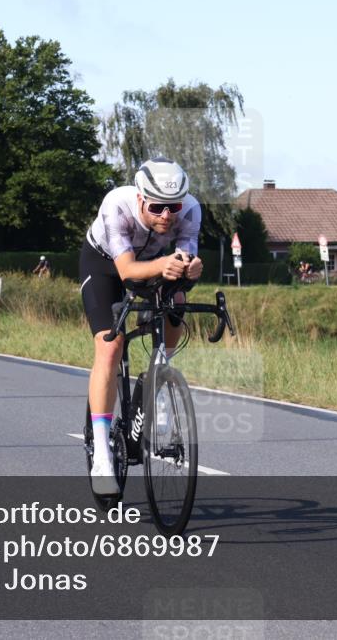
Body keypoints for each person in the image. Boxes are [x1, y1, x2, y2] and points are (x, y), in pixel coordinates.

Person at [80, 157, 203, 494]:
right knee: (110, 346)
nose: (167, 216)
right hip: (106, 264)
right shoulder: (117, 206)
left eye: (173, 207)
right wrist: (167, 264)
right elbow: (127, 273)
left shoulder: (190, 211)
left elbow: (183, 261)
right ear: (140, 199)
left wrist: (192, 269)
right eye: (157, 207)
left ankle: (159, 376)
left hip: (155, 263)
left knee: (176, 304)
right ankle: (103, 453)